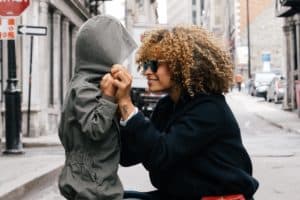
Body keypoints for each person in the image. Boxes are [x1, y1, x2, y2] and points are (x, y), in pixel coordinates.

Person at [103, 25, 259, 200]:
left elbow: (161, 155)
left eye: (154, 64)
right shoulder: (167, 106)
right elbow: (129, 155)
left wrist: (127, 104)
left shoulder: (209, 109)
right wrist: (115, 109)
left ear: (181, 66)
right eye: (146, 64)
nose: (147, 71)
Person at [58, 15, 137, 200]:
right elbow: (95, 128)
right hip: (93, 191)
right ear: (101, 52)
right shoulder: (84, 87)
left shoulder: (91, 83)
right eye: (115, 51)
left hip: (97, 185)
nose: (119, 59)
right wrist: (109, 97)